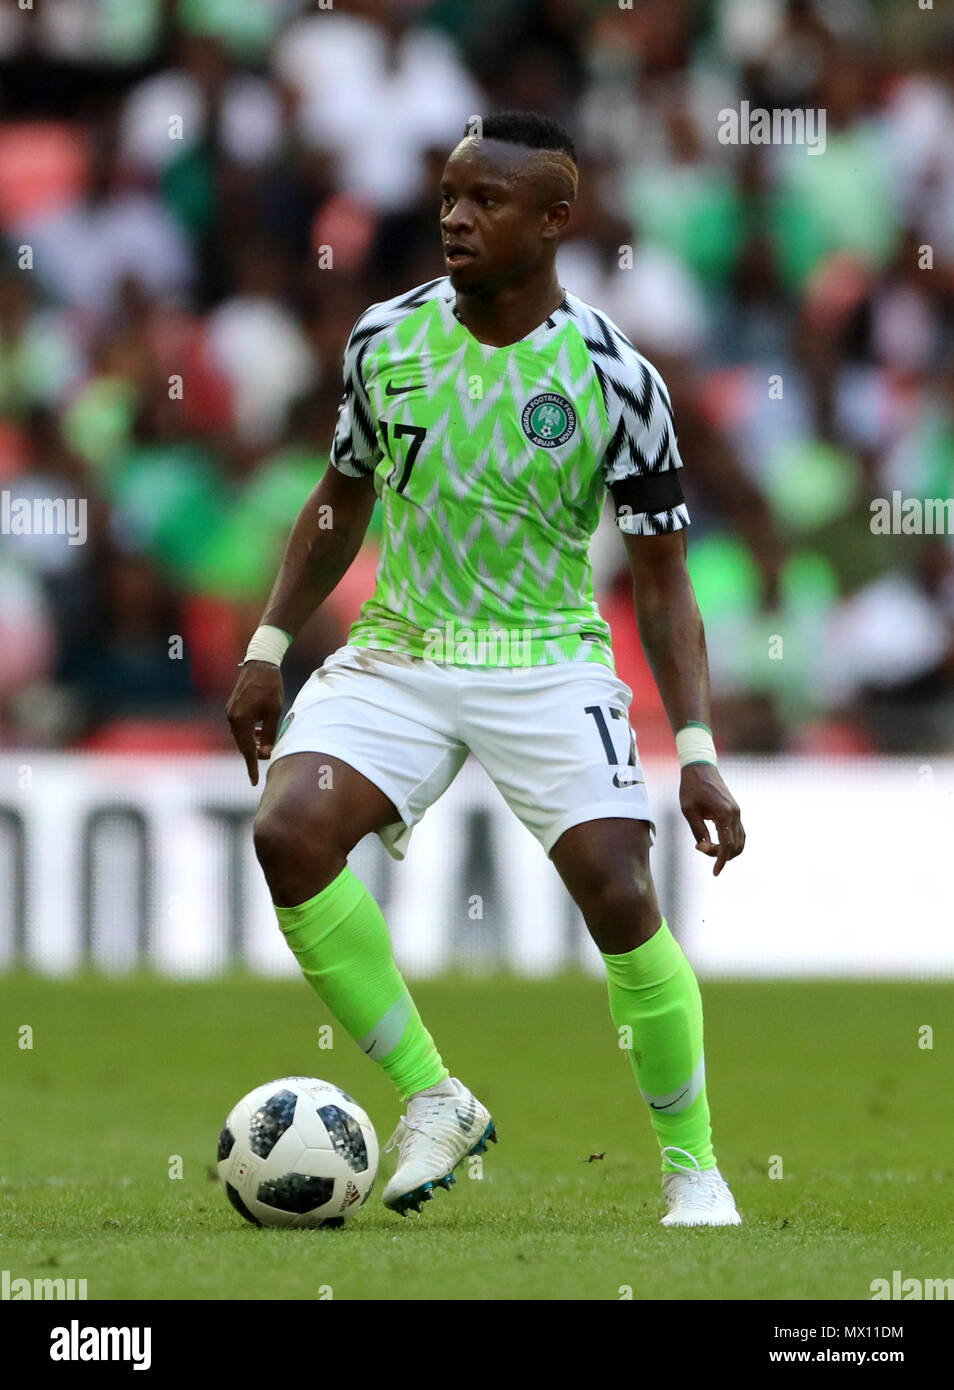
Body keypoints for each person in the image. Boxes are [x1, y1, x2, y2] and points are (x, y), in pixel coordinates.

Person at [226, 112, 746, 1226]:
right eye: (451, 195)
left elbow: (663, 577)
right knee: (287, 832)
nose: (457, 217)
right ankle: (432, 1095)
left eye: (487, 201)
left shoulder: (617, 377)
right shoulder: (386, 339)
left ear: (556, 220)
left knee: (617, 890)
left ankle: (693, 1167)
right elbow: (340, 498)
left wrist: (697, 751)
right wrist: (270, 645)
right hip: (403, 647)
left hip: (547, 658)